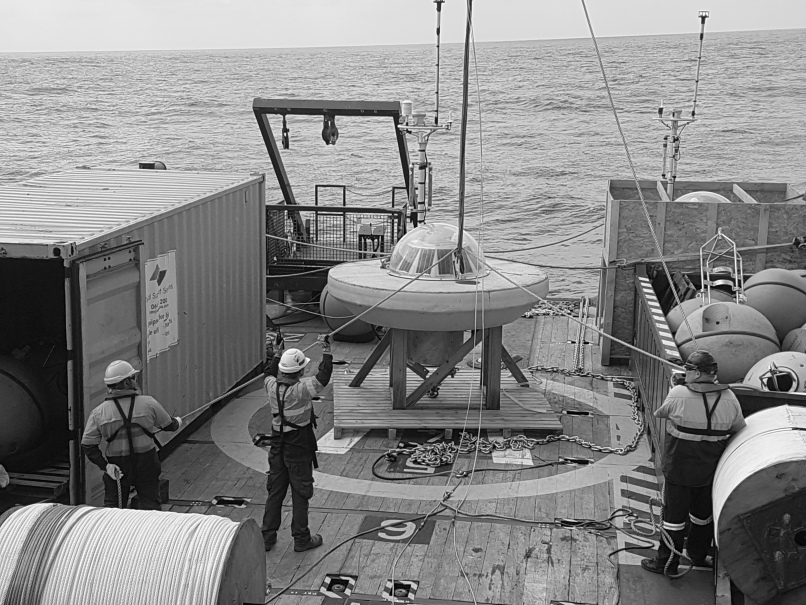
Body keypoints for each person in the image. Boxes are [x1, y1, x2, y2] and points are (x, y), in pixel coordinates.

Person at [641, 350, 746, 576]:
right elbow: (738, 427)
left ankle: (666, 563)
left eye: (688, 370)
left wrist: (678, 387)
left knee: (673, 519)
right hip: (708, 470)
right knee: (702, 517)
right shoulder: (729, 398)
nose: (685, 373)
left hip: (679, 468)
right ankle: (698, 555)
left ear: (697, 373)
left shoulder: (678, 393)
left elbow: (662, 413)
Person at [261, 333, 332, 552]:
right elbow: (323, 377)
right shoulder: (301, 390)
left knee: (275, 491)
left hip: (277, 445)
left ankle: (267, 537)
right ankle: (301, 538)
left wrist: (278, 353)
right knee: (300, 493)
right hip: (299, 445)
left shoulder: (271, 386)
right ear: (300, 372)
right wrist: (326, 349)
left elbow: (268, 372)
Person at [81, 360, 181, 509]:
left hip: (117, 466)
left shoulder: (99, 413)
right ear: (127, 382)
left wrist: (105, 466)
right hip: (146, 463)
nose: (135, 381)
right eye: (133, 378)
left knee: (114, 509)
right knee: (150, 504)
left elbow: (88, 445)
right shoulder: (148, 403)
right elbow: (169, 426)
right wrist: (178, 421)